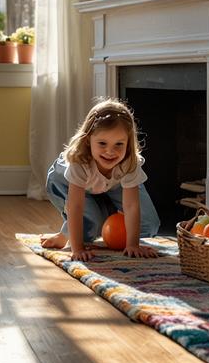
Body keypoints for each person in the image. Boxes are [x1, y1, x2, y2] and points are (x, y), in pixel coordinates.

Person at [40, 97, 160, 261]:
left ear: (128, 143)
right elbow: (75, 206)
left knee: (149, 223)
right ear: (88, 140)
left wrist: (133, 245)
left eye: (119, 144)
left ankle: (104, 212)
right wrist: (78, 249)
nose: (110, 152)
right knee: (90, 226)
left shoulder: (129, 161)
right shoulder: (79, 161)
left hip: (108, 184)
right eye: (102, 143)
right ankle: (64, 235)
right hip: (64, 183)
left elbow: (132, 205)